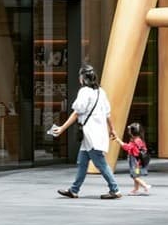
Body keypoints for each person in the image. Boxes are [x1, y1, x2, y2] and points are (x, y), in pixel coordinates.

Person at [50, 64, 122, 199]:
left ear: (83, 78)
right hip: (96, 134)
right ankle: (74, 190)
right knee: (82, 162)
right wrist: (112, 130)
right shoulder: (101, 92)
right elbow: (108, 114)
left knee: (100, 163)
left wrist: (62, 128)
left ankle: (115, 189)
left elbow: (76, 113)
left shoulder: (84, 92)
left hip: (91, 134)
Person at [118, 121, 152, 195]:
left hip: (135, 162)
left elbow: (126, 147)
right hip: (138, 161)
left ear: (132, 132)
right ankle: (136, 189)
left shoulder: (134, 141)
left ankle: (145, 185)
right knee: (136, 175)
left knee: (134, 175)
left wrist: (118, 141)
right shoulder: (140, 140)